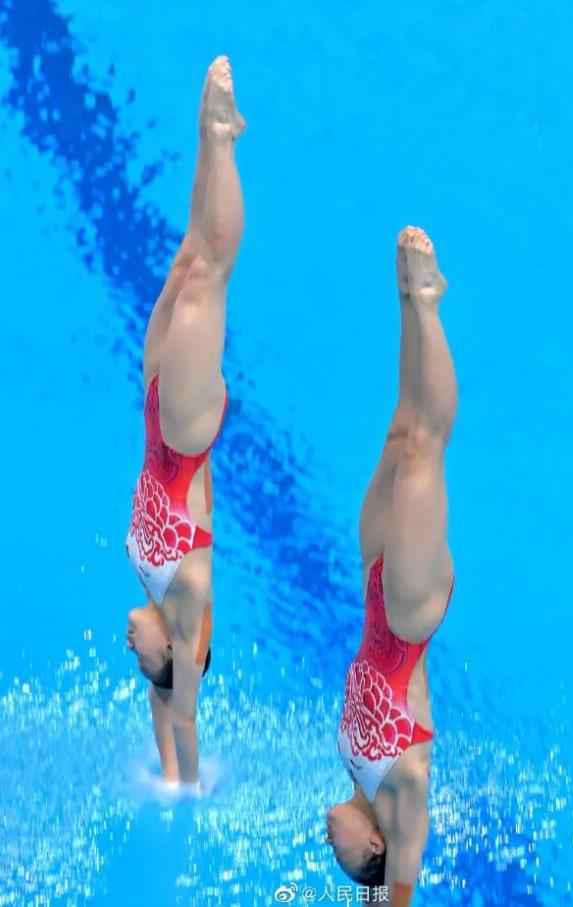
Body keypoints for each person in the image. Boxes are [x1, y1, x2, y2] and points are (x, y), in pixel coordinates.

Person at [125, 56, 245, 792]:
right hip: (186, 432)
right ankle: (225, 141)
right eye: (139, 648)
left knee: (182, 261)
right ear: (172, 648)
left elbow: (162, 706)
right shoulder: (187, 594)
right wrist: (187, 784)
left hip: (153, 414)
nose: (126, 637)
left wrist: (163, 772)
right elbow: (184, 708)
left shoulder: (150, 594)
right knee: (207, 275)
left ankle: (212, 134)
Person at [326, 227, 457, 905]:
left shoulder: (356, 772)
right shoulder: (400, 802)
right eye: (342, 857)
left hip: (375, 587)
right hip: (408, 614)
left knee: (400, 431)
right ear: (374, 846)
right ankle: (431, 303)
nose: (329, 844)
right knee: (425, 450)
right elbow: (392, 894)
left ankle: (407, 302)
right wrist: (388, 893)